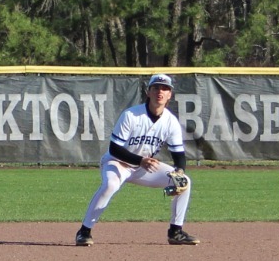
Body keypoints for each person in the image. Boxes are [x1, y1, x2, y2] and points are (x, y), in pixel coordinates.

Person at [75, 73, 197, 247]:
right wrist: (140, 161)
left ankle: (175, 232)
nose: (160, 92)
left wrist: (179, 172)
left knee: (184, 182)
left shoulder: (171, 122)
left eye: (165, 89)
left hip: (143, 168)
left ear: (170, 94)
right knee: (110, 185)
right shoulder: (131, 115)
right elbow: (114, 149)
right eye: (156, 88)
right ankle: (84, 231)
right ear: (149, 92)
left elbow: (178, 154)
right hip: (117, 163)